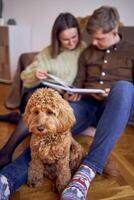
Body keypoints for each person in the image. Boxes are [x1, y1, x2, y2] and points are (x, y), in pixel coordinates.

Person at [0, 6, 134, 200]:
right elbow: (78, 82)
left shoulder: (131, 52)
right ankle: (7, 179)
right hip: (86, 105)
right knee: (44, 138)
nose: (93, 43)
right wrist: (73, 94)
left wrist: (112, 91)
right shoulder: (88, 53)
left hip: (113, 107)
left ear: (114, 31)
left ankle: (85, 173)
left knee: (124, 87)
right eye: (92, 38)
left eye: (99, 38)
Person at [0, 12, 87, 170]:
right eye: (65, 39)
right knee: (38, 105)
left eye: (74, 37)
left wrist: (70, 93)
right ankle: (6, 152)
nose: (71, 42)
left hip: (58, 96)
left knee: (40, 118)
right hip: (38, 91)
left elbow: (82, 76)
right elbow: (24, 76)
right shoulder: (47, 53)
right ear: (57, 38)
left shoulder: (83, 49)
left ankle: (16, 118)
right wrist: (35, 73)